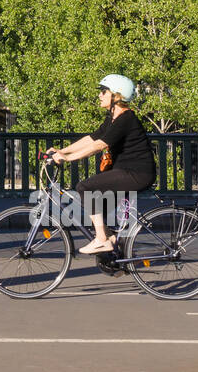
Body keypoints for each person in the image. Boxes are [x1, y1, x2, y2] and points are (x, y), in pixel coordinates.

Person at [44, 73, 156, 255]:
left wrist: (69, 158)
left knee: (85, 187)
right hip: (126, 171)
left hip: (137, 173)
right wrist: (62, 151)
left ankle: (102, 240)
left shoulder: (126, 119)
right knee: (98, 209)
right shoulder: (112, 118)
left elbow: (99, 145)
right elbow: (93, 137)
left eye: (104, 91)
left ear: (116, 96)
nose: (100, 95)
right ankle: (116, 252)